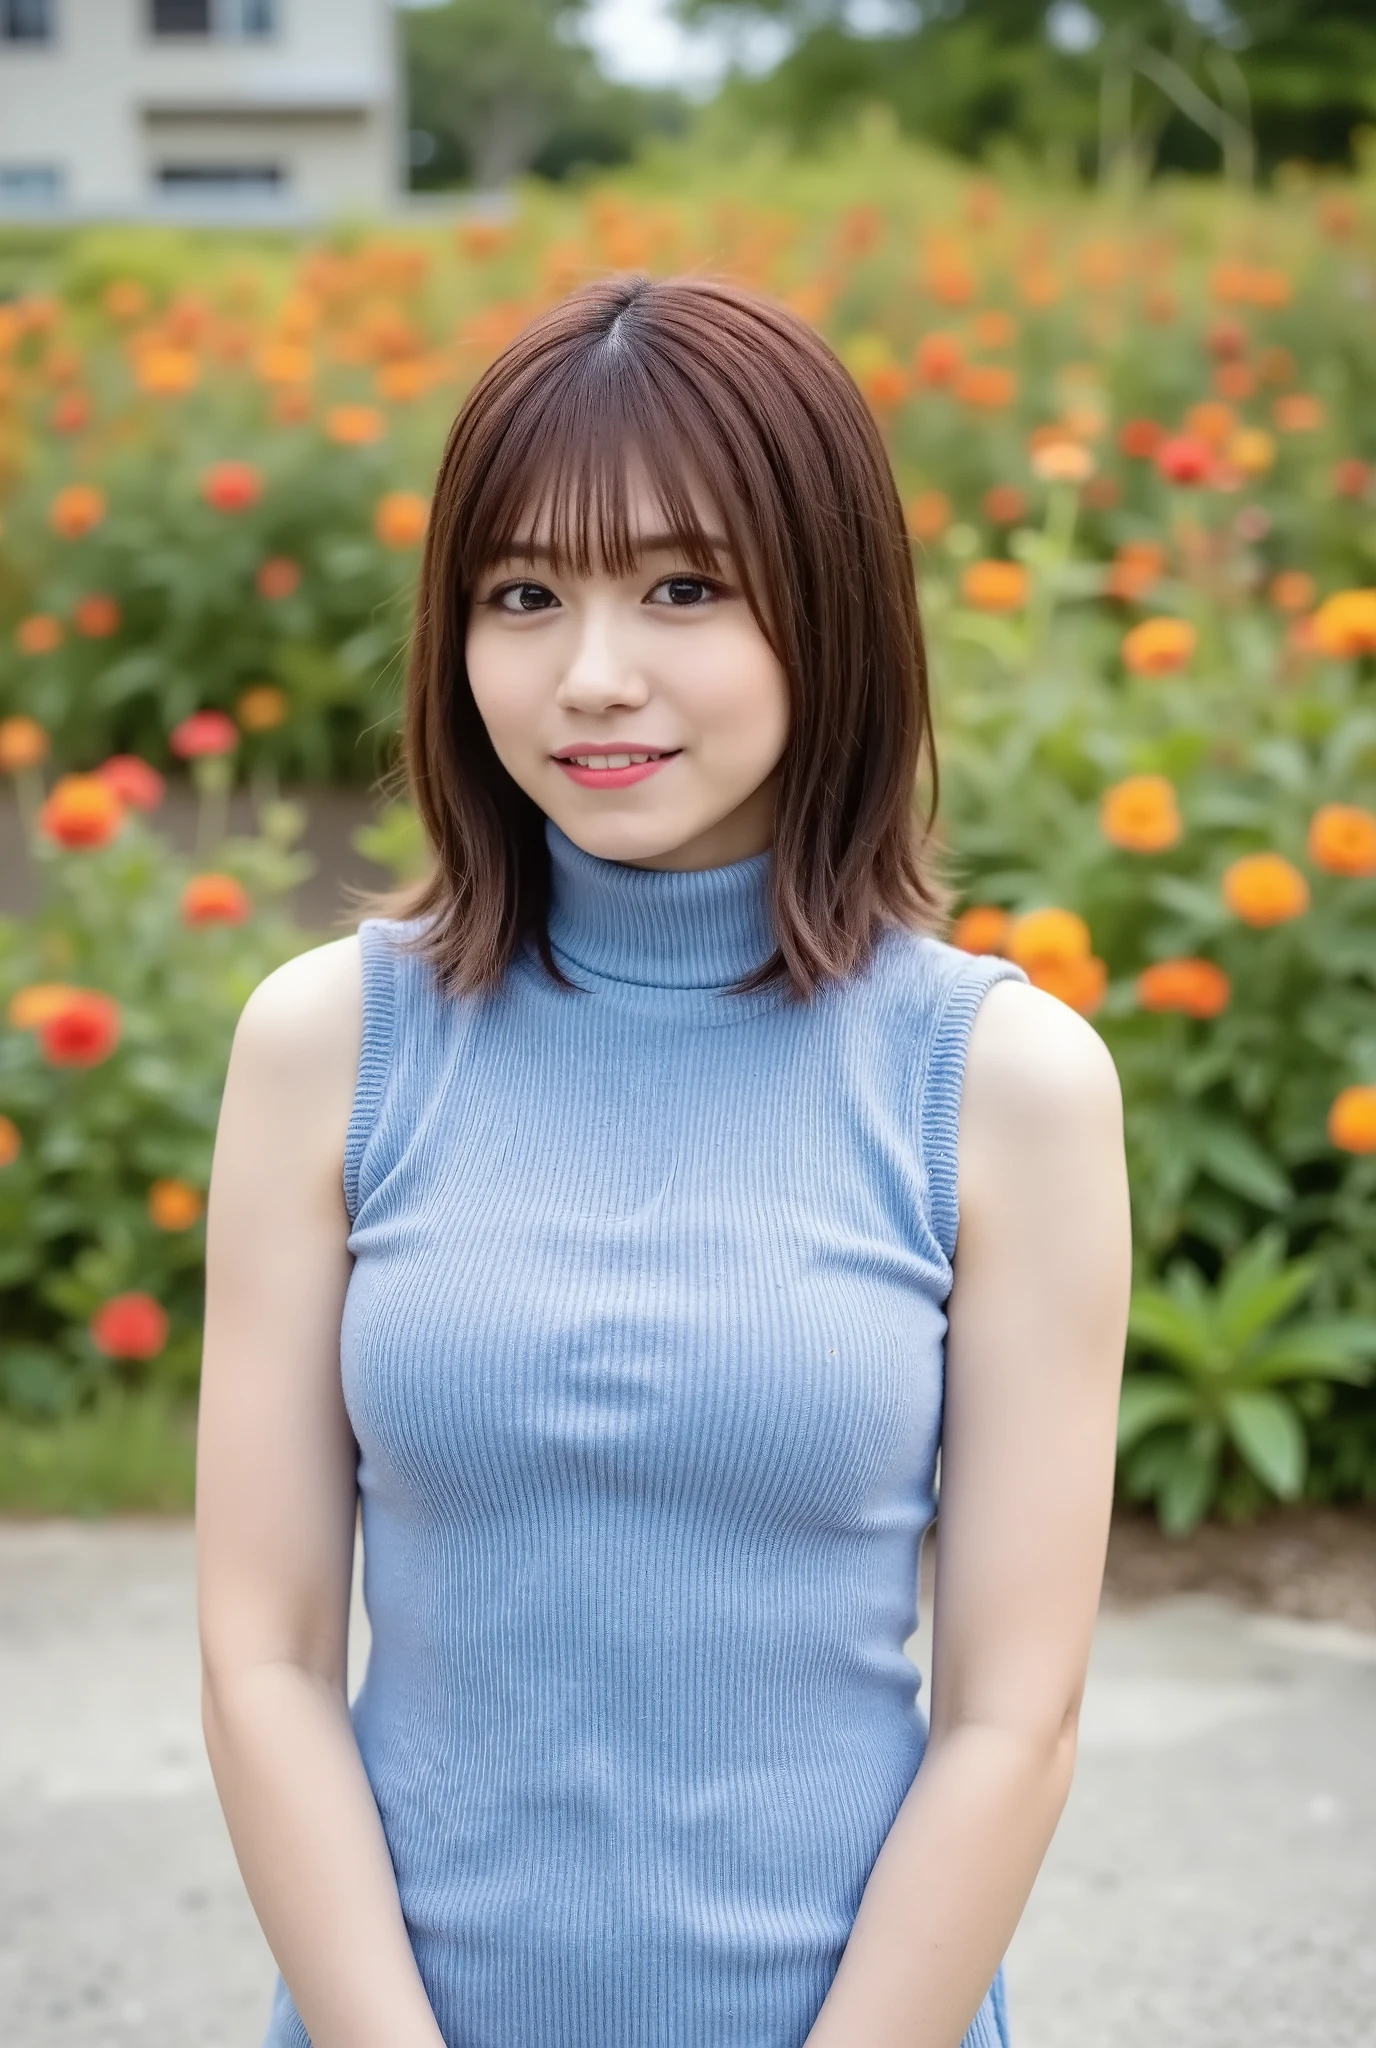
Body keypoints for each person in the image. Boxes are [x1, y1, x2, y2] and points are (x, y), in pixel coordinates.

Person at [196, 272, 1132, 2048]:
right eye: (522, 594)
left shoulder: (1003, 1083)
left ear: (832, 607)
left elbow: (1015, 1716)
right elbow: (264, 1656)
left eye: (684, 587)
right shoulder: (330, 1046)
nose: (591, 674)